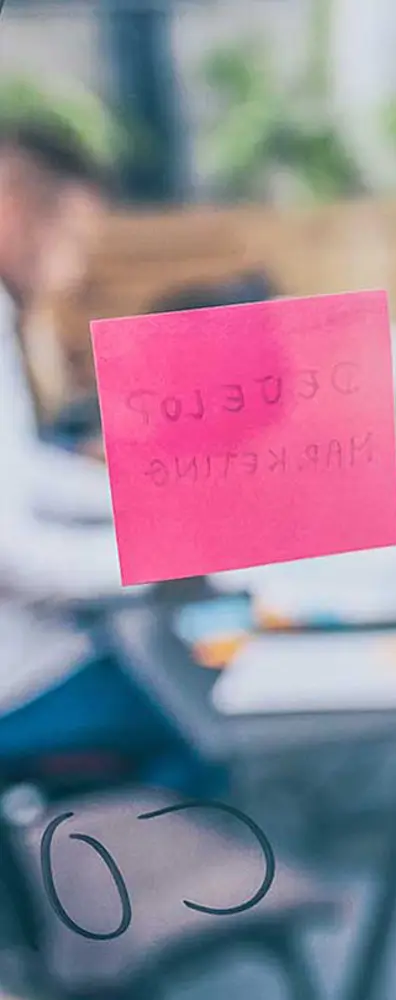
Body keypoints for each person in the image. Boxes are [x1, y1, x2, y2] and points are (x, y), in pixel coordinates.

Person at [0, 122, 213, 794]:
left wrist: (140, 491)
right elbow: (21, 557)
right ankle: (156, 890)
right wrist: (176, 553)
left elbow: (20, 470)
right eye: (74, 238)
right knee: (197, 713)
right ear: (13, 205)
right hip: (14, 687)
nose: (79, 267)